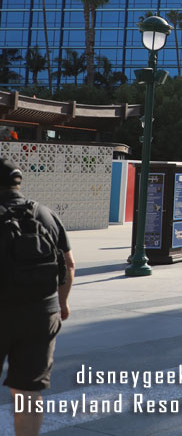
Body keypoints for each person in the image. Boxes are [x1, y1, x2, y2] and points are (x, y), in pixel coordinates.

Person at [1, 158, 75, 436]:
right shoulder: (44, 214)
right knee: (28, 391)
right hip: (40, 315)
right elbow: (69, 265)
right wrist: (63, 303)